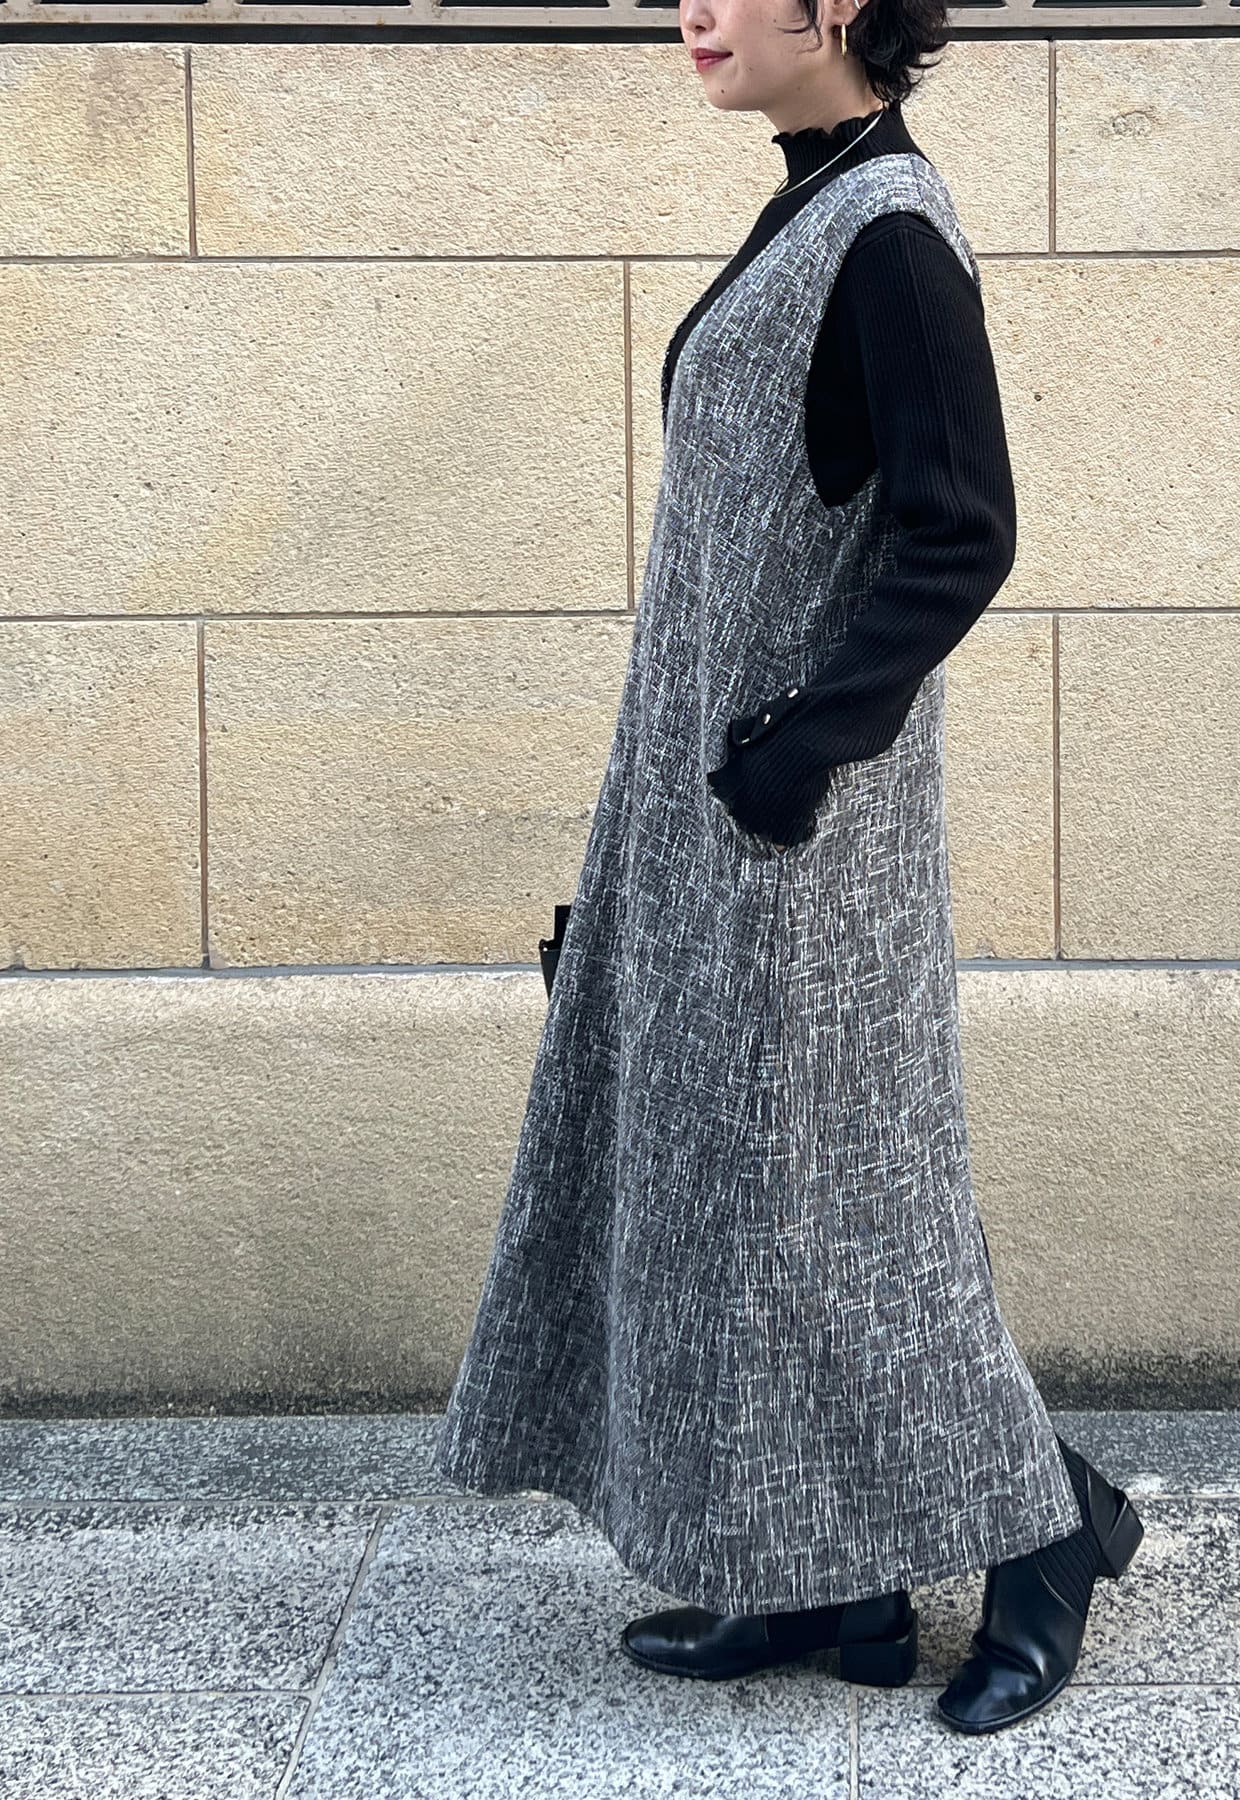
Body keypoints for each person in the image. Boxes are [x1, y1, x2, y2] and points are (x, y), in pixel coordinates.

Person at [435, 0, 1144, 1737]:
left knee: (845, 1219)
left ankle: (1053, 1530)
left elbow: (961, 528)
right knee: (740, 1208)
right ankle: (832, 1581)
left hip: (805, 848)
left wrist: (795, 750)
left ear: (835, 5)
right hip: (710, 822)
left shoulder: (889, 232)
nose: (693, 8)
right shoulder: (814, 193)